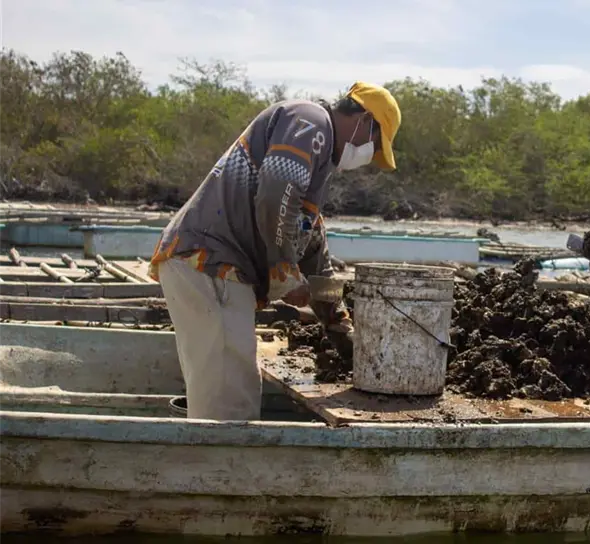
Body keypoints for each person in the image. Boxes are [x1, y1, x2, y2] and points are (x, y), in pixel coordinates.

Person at [148, 82, 401, 421]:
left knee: (228, 391)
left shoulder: (318, 165)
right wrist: (284, 270)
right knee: (229, 405)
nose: (368, 155)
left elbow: (313, 250)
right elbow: (275, 194)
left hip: (211, 268)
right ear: (365, 120)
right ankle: (221, 458)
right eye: (375, 144)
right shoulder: (311, 121)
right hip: (209, 263)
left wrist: (340, 330)